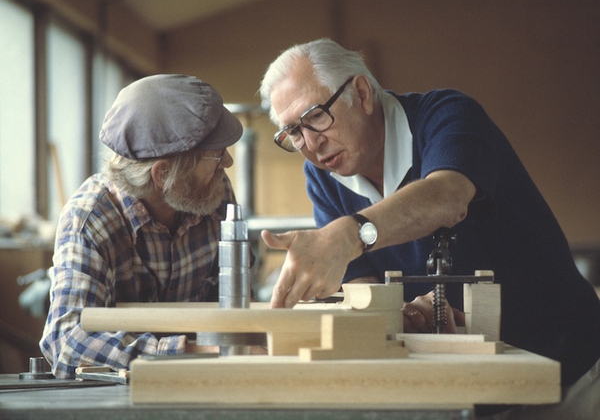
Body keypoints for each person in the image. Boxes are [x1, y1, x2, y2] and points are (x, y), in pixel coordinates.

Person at [259, 38, 600, 418]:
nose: (310, 143)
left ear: (361, 92)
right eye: (292, 132)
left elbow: (447, 196)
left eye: (317, 116)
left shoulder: (447, 115)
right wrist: (404, 316)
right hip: (464, 389)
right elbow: (364, 289)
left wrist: (349, 234)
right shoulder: (322, 177)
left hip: (564, 368)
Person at [40, 74, 244, 379]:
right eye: (216, 155)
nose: (226, 162)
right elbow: (65, 341)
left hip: (208, 384)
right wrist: (191, 354)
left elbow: (235, 297)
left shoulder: (212, 192)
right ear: (163, 175)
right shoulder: (90, 219)